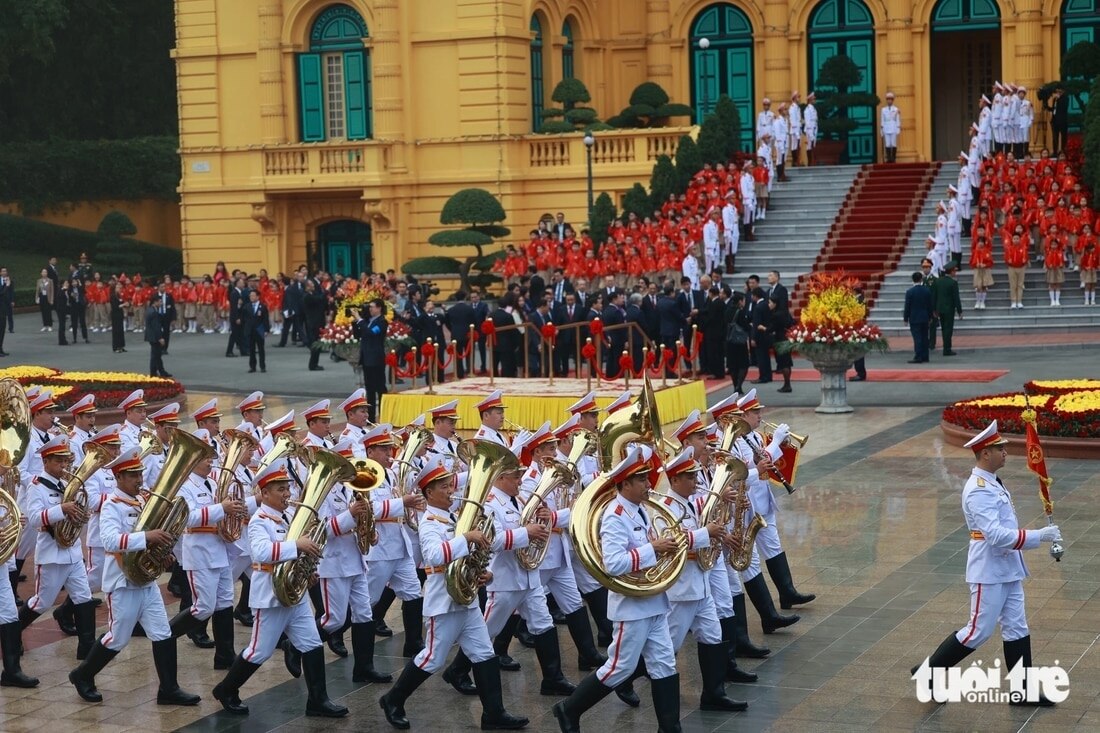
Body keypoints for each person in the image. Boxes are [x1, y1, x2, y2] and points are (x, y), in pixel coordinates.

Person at [910, 421, 1061, 707]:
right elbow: (994, 536)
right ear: (984, 453)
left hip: (1008, 568)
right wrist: (1038, 536)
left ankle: (1022, 691)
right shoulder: (978, 489)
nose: (1005, 452)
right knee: (978, 630)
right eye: (999, 448)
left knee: (1017, 627)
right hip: (989, 569)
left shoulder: (992, 482)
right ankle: (928, 673)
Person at [379, 455, 529, 730]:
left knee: (484, 654)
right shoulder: (429, 522)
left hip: (466, 597)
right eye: (444, 487)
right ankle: (392, 699)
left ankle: (493, 713)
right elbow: (434, 556)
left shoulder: (453, 517)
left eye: (450, 485)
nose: (451, 491)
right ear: (428, 493)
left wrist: (485, 572)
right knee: (432, 657)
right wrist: (465, 538)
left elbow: (471, 554)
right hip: (443, 602)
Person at [551, 446, 682, 733]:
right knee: (619, 668)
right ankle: (569, 709)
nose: (649, 485)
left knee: (664, 665)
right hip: (631, 607)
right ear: (625, 484)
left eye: (648, 479)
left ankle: (671, 729)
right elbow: (612, 564)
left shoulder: (640, 510)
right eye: (642, 481)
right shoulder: (614, 516)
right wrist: (653, 549)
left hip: (653, 601)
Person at [211, 460, 349, 718]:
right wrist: (297, 545)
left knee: (311, 644)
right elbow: (262, 553)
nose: (287, 494)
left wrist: (307, 568)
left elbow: (299, 549)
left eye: (287, 488)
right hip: (270, 596)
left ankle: (318, 701)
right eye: (280, 489)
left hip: (294, 592)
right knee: (259, 651)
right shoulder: (259, 521)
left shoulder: (288, 516)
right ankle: (225, 689)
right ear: (264, 493)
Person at [67, 447, 201, 706]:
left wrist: (162, 552)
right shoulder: (111, 506)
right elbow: (109, 540)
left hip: (145, 580)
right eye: (132, 475)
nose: (140, 479)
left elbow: (150, 536)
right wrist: (146, 538)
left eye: (140, 474)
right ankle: (82, 674)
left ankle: (169, 689)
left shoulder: (142, 501)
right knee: (118, 637)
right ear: (118, 477)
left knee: (162, 632)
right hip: (122, 581)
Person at [167, 430, 247, 670]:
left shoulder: (214, 482)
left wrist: (239, 509)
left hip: (221, 549)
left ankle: (225, 656)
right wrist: (221, 508)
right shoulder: (183, 486)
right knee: (203, 606)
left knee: (224, 602)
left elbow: (227, 511)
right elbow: (185, 519)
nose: (211, 461)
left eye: (212, 456)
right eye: (205, 457)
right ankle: (165, 635)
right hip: (199, 552)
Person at [19, 435, 98, 660]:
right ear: (45, 462)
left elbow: (76, 511)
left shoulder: (66, 483)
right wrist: (62, 509)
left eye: (66, 461)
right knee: (41, 602)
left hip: (72, 552)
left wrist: (82, 514)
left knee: (84, 597)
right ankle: (12, 632)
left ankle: (87, 649)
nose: (64, 466)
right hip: (51, 554)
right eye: (58, 462)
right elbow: (34, 518)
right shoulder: (37, 486)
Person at [354, 298, 388, 423]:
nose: (370, 309)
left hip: (376, 359)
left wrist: (359, 319)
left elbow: (371, 333)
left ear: (379, 308)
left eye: (372, 307)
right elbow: (358, 335)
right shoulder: (367, 321)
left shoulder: (382, 322)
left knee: (380, 388)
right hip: (366, 358)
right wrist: (356, 322)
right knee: (370, 389)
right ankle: (371, 418)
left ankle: (384, 414)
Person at [903, 272, 933, 363]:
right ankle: (925, 356)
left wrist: (905, 318)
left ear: (913, 280)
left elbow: (907, 306)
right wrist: (930, 316)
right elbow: (930, 305)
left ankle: (918, 356)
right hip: (924, 317)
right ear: (921, 279)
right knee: (925, 337)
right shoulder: (927, 290)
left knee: (917, 338)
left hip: (914, 317)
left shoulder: (910, 292)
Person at [933, 263, 963, 356]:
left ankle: (946, 347)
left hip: (940, 309)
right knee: (948, 329)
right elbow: (956, 298)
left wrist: (934, 309)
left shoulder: (937, 281)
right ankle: (947, 349)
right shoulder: (953, 283)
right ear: (951, 271)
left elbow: (934, 296)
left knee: (943, 329)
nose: (955, 273)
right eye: (954, 271)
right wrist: (959, 311)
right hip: (949, 309)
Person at [303, 278, 327, 371]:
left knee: (317, 344)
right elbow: (319, 299)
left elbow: (321, 301)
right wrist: (325, 292)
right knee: (315, 344)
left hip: (317, 322)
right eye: (311, 284)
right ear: (307, 287)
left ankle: (315, 363)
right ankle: (312, 365)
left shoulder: (313, 294)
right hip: (312, 324)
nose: (313, 286)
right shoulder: (307, 297)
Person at [145, 302, 171, 378]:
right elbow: (156, 326)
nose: (161, 303)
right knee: (155, 355)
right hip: (154, 337)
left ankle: (161, 371)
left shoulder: (150, 310)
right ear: (155, 302)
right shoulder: (154, 313)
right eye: (159, 302)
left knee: (157, 355)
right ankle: (153, 372)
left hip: (151, 336)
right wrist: (160, 338)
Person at [1046, 86, 1069, 156]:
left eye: (1059, 91)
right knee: (1055, 137)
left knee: (1063, 136)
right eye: (1056, 91)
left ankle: (1063, 151)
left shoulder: (1065, 98)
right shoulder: (1055, 99)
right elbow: (1054, 109)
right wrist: (1047, 107)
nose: (1057, 93)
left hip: (1062, 121)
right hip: (1055, 120)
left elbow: (1063, 108)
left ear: (1062, 91)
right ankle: (1055, 152)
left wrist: (1058, 99)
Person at [879, 92, 901, 162]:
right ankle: (888, 158)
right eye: (888, 99)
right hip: (886, 127)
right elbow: (882, 119)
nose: (889, 101)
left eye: (890, 99)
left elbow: (897, 119)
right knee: (887, 144)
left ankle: (893, 158)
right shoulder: (883, 109)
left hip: (893, 127)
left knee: (893, 143)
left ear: (893, 100)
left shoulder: (896, 109)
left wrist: (898, 128)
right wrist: (881, 129)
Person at [110, 282, 126, 353]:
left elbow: (121, 303)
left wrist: (125, 304)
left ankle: (121, 346)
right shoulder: (113, 296)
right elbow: (115, 306)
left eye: (119, 287)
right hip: (115, 315)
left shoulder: (119, 295)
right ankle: (115, 347)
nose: (119, 289)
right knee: (116, 331)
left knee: (121, 331)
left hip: (120, 314)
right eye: (117, 287)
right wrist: (123, 305)